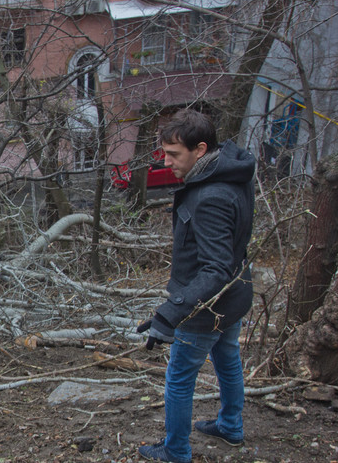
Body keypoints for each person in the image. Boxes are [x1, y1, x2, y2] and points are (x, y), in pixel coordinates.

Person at [136, 108, 256, 463]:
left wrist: (171, 311)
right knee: (228, 358)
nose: (166, 162)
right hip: (234, 294)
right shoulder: (232, 170)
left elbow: (215, 268)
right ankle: (231, 426)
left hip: (206, 305)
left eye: (174, 154)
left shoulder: (211, 197)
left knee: (179, 378)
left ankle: (175, 451)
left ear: (200, 149)